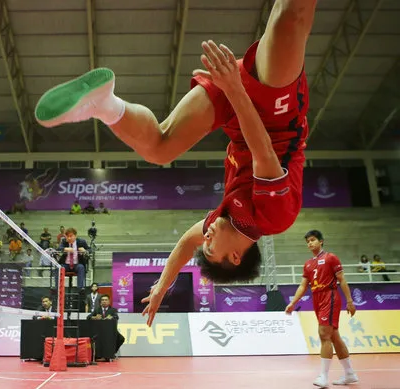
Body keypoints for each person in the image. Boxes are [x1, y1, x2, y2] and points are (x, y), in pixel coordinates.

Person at [35, 0, 318, 322]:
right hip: (276, 114)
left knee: (159, 148)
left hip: (236, 112)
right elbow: (263, 151)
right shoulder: (274, 219)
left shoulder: (222, 225)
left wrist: (161, 286)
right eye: (211, 247)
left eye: (206, 242)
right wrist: (235, 88)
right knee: (293, 15)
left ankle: (104, 104)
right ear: (236, 255)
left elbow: (185, 245)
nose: (206, 237)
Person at [285, 230, 358, 388]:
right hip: (317, 299)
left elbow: (342, 280)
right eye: (308, 241)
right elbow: (303, 285)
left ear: (321, 241)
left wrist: (350, 301)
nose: (310, 243)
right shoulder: (308, 264)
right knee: (334, 337)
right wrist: (293, 302)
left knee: (324, 334)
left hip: (329, 296)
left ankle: (323, 377)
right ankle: (350, 374)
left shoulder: (330, 258)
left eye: (313, 240)